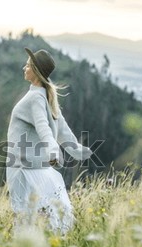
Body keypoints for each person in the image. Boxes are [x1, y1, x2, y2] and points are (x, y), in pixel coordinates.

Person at [6, 47, 92, 235]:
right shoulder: (46, 96)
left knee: (25, 217)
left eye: (28, 65)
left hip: (22, 168)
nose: (24, 68)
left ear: (35, 71)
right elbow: (63, 131)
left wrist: (54, 152)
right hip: (37, 168)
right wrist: (78, 151)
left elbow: (44, 128)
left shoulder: (35, 98)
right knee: (42, 215)